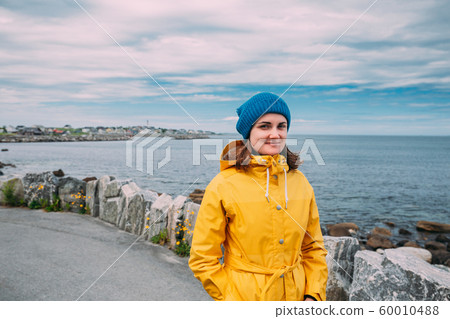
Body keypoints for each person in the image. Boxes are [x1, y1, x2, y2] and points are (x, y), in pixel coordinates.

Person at [189, 92, 328, 301]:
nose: (275, 134)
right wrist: (232, 299)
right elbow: (202, 259)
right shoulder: (223, 185)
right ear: (249, 132)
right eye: (264, 126)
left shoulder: (300, 183)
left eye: (281, 126)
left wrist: (313, 295)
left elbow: (313, 249)